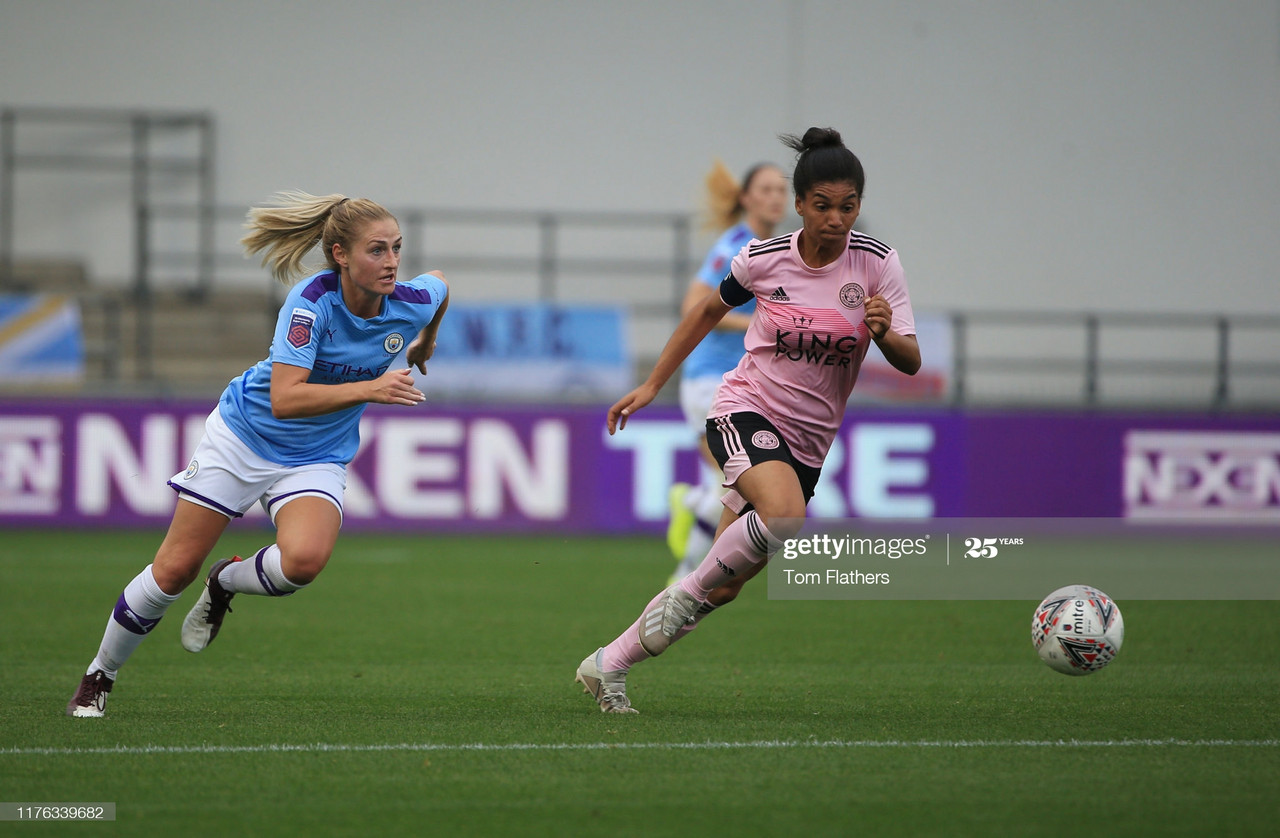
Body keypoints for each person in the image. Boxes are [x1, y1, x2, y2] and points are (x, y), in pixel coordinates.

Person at [66, 192, 449, 718]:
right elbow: (285, 398)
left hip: (316, 453)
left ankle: (225, 581)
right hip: (244, 437)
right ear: (340, 254)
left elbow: (440, 286)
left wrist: (425, 344)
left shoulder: (412, 300)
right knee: (174, 570)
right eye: (376, 251)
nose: (391, 263)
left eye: (396, 249)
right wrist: (369, 389)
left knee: (304, 563)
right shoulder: (310, 304)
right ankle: (99, 674)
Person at [576, 128, 920, 714]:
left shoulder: (878, 264)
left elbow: (910, 362)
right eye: (822, 206)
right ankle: (667, 604)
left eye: (848, 206)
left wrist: (885, 334)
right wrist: (653, 383)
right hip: (744, 408)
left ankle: (609, 663)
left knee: (724, 585)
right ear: (800, 203)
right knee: (785, 517)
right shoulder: (762, 260)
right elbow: (706, 311)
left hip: (810, 445)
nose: (836, 219)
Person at [666, 160, 789, 584]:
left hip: (736, 383)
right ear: (746, 198)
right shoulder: (735, 246)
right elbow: (693, 308)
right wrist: (758, 324)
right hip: (708, 379)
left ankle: (683, 570)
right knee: (729, 489)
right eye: (767, 189)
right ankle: (689, 520)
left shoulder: (771, 248)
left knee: (732, 491)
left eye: (781, 189)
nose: (776, 197)